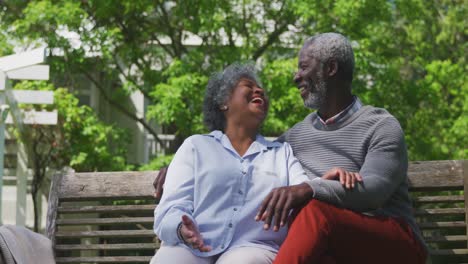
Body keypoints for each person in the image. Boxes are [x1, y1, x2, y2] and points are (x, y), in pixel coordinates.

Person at [154, 33, 427, 263]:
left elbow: (374, 192)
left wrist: (311, 188)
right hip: (325, 245)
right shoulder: (295, 137)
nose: (296, 77)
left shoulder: (381, 125)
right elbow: (250, 156)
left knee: (313, 212)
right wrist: (181, 166)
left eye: (304, 67)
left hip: (388, 239)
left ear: (330, 69)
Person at [151, 63, 347, 264]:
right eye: (248, 85)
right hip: (192, 247)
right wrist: (181, 229)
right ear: (223, 102)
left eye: (261, 89)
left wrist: (324, 183)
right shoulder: (196, 146)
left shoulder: (281, 153)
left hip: (254, 248)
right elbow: (172, 207)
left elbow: (302, 192)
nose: (259, 90)